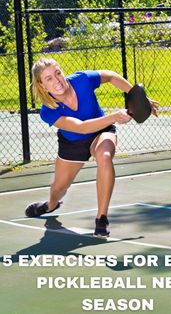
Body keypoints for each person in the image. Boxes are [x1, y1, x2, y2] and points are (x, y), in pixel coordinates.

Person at [25, 58, 159, 237]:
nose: (56, 80)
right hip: (73, 143)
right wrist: (114, 117)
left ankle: (101, 218)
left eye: (58, 73)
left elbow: (110, 76)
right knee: (59, 188)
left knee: (104, 156)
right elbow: (81, 127)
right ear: (42, 85)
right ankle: (50, 205)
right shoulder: (47, 111)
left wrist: (140, 98)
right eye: (48, 78)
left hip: (101, 131)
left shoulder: (82, 80)